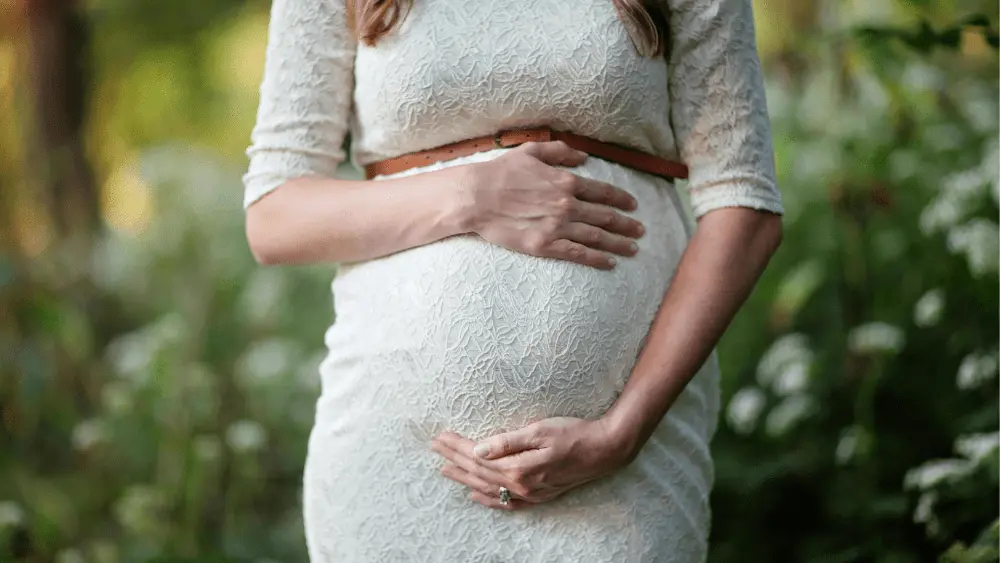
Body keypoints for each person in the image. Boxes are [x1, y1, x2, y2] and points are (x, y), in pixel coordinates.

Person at [242, 0, 784, 560]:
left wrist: (621, 434)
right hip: (393, 462)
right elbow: (274, 217)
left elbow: (744, 204)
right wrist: (470, 197)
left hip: (624, 470)